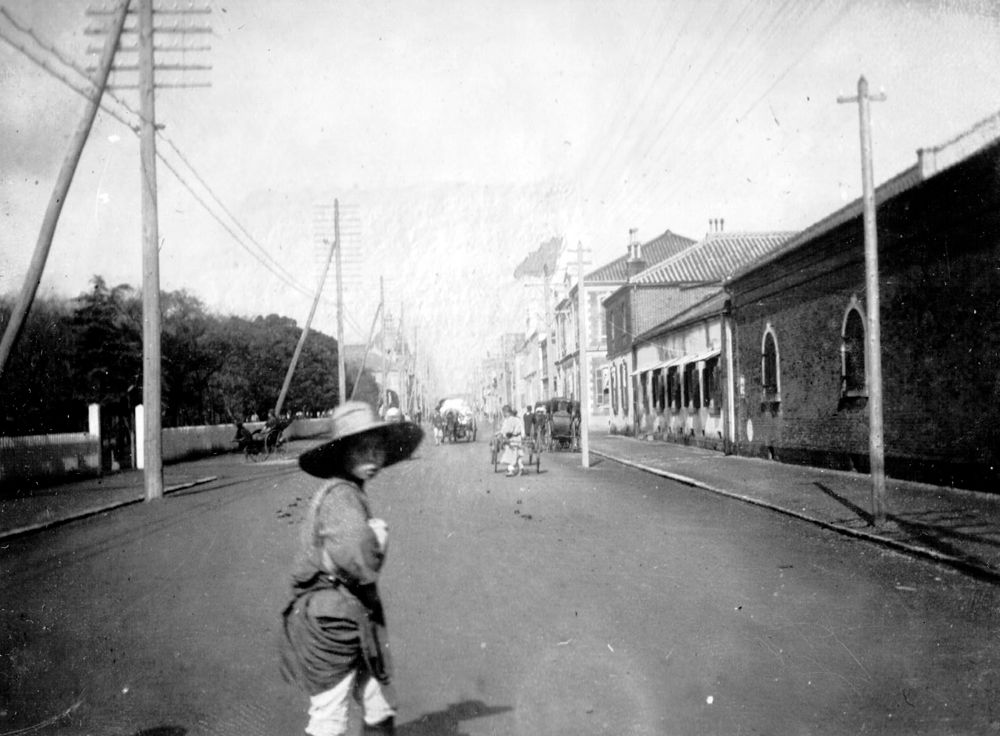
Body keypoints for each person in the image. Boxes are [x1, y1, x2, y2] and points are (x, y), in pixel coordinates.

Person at [279, 401, 423, 736]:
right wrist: (377, 540)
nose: (374, 458)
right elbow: (360, 558)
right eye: (363, 450)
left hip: (349, 615)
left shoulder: (346, 491)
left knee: (378, 700)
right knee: (330, 715)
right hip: (331, 621)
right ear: (343, 455)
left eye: (378, 449)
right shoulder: (341, 496)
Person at [499, 404, 524, 477]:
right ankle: (521, 468)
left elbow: (507, 430)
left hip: (512, 439)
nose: (503, 414)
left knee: (511, 455)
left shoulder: (509, 420)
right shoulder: (516, 419)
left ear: (507, 412)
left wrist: (503, 434)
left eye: (504, 413)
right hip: (518, 439)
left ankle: (511, 470)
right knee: (518, 455)